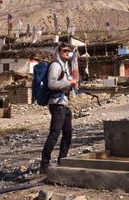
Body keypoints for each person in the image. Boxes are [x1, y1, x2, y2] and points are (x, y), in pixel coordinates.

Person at [40, 42, 78, 173]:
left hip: (64, 104)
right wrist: (69, 82)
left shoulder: (64, 66)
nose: (67, 53)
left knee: (68, 133)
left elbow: (63, 84)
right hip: (57, 104)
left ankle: (63, 160)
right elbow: (52, 84)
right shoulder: (56, 65)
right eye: (64, 51)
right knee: (54, 134)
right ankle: (44, 164)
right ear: (59, 52)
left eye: (69, 51)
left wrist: (71, 84)